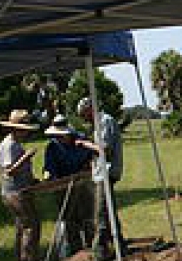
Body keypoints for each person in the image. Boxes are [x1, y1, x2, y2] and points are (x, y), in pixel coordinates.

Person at [76, 97, 127, 260]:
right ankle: (120, 246)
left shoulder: (105, 121)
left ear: (89, 109)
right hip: (102, 171)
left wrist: (84, 144)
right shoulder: (100, 123)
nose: (83, 118)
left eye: (84, 114)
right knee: (109, 211)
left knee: (101, 214)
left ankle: (98, 253)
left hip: (106, 172)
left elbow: (105, 149)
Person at [43, 114, 99, 258]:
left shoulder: (81, 140)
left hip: (83, 184)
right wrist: (48, 175)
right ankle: (76, 251)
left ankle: (93, 248)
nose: (59, 138)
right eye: (56, 135)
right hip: (63, 186)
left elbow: (93, 156)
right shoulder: (52, 146)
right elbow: (49, 167)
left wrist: (88, 167)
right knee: (70, 220)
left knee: (88, 217)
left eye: (61, 135)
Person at [0, 109, 41, 261]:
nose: (26, 133)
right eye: (23, 130)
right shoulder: (9, 145)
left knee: (22, 227)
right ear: (15, 129)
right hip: (15, 193)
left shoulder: (15, 143)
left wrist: (32, 180)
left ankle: (22, 257)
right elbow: (9, 171)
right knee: (31, 226)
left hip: (19, 190)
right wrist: (26, 157)